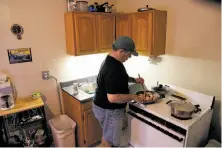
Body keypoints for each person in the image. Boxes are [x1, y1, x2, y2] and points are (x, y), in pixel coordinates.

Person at [92, 36, 146, 147]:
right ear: (121, 51)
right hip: (110, 110)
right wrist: (134, 97)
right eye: (129, 54)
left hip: (103, 107)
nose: (130, 57)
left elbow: (120, 78)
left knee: (107, 135)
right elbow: (113, 98)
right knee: (110, 141)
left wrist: (133, 80)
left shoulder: (112, 60)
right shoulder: (113, 68)